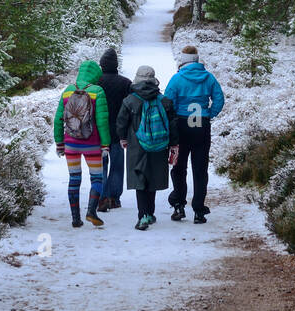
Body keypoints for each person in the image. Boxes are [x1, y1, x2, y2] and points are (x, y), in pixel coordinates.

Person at [164, 45, 224, 224]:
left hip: (182, 126)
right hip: (201, 125)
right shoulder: (208, 78)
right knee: (200, 169)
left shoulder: (177, 79)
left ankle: (178, 205)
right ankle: (199, 210)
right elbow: (219, 98)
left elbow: (168, 101)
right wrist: (209, 113)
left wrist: (173, 118)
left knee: (179, 167)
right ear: (197, 60)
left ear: (183, 60)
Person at [116, 65, 178, 231]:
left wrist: (122, 138)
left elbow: (121, 123)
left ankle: (143, 215)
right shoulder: (164, 101)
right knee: (153, 178)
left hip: (137, 146)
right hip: (159, 145)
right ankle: (150, 213)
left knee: (140, 179)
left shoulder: (130, 101)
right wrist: (173, 144)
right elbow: (173, 124)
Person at [53, 59, 111, 227]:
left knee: (74, 178)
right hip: (92, 143)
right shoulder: (97, 91)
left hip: (71, 143)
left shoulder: (67, 91)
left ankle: (75, 218)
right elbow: (102, 121)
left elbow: (58, 119)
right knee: (97, 178)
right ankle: (91, 212)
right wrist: (105, 144)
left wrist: (59, 142)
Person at [95, 47, 132, 212]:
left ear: (102, 65)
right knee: (117, 165)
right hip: (118, 132)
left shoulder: (95, 83)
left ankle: (102, 197)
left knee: (101, 165)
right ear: (116, 65)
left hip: (99, 132)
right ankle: (114, 198)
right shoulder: (125, 83)